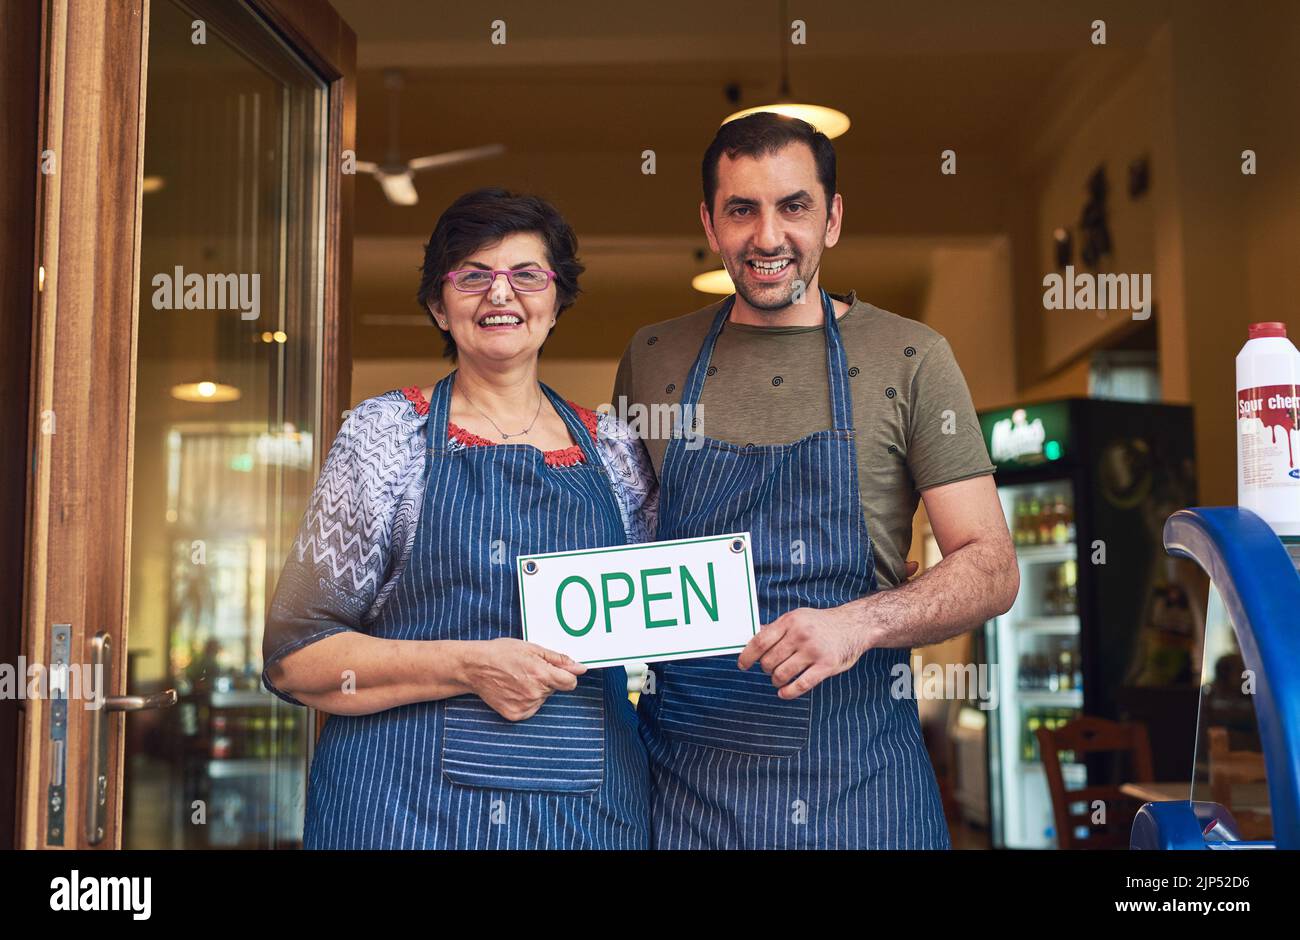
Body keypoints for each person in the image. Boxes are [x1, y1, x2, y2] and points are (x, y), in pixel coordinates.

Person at [613, 113, 1019, 849]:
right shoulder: (654, 357)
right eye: (742, 209)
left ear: (832, 218)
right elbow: (622, 553)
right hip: (683, 790)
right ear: (710, 221)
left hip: (859, 783)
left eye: (794, 206)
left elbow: (991, 568)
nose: (768, 237)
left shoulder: (910, 357)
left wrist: (859, 622)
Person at [263, 188, 657, 849]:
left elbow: (665, 628)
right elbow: (294, 658)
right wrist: (469, 665)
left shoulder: (616, 448)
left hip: (585, 815)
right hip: (402, 813)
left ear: (556, 301)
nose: (500, 295)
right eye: (473, 276)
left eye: (527, 275)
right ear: (438, 307)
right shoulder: (386, 435)